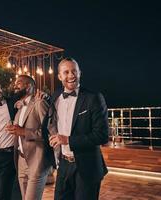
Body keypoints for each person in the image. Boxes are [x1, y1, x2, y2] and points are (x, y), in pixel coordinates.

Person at [48, 57, 109, 200]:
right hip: (63, 165)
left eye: (74, 71)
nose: (71, 75)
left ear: (80, 73)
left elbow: (102, 135)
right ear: (59, 76)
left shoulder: (93, 98)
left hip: (87, 166)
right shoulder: (55, 97)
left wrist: (68, 140)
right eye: (66, 72)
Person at [5, 75, 55, 200]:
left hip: (37, 161)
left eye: (19, 83)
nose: (15, 86)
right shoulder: (19, 106)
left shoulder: (40, 102)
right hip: (21, 160)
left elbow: (49, 133)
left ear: (28, 86)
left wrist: (23, 131)